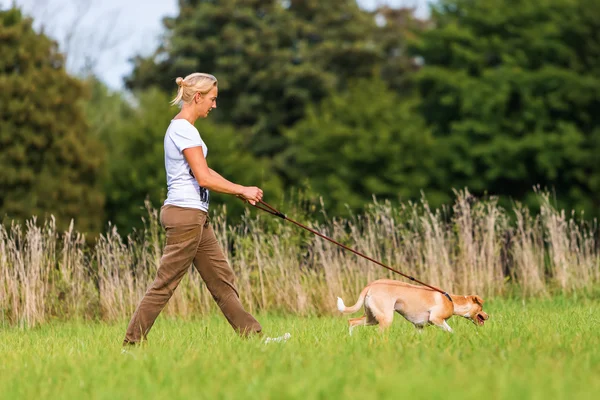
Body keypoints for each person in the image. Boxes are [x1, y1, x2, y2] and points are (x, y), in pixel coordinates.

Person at [122, 72, 288, 345]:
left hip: (195, 215)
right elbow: (203, 178)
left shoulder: (184, 129)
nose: (214, 105)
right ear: (197, 97)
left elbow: (205, 170)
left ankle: (256, 339)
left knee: (221, 280)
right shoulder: (183, 129)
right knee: (165, 284)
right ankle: (130, 344)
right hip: (185, 216)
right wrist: (241, 189)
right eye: (212, 99)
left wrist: (238, 191)